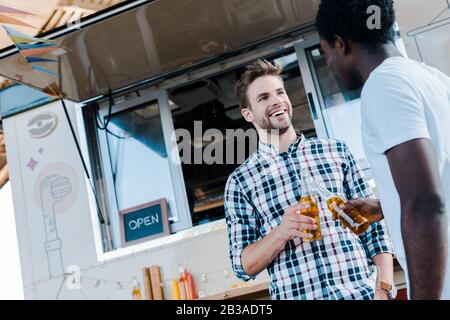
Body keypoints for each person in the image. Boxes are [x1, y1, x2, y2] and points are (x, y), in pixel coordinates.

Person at [224, 59, 394, 300]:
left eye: (280, 92)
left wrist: (383, 288)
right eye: (263, 98)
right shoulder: (240, 182)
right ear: (248, 114)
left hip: (360, 294)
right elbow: (243, 266)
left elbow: (375, 229)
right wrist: (281, 232)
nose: (276, 101)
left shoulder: (336, 151)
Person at [316, 0, 450, 299]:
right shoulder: (433, 78)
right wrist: (384, 206)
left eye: (325, 52)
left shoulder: (383, 85)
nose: (328, 64)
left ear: (340, 44)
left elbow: (425, 203)